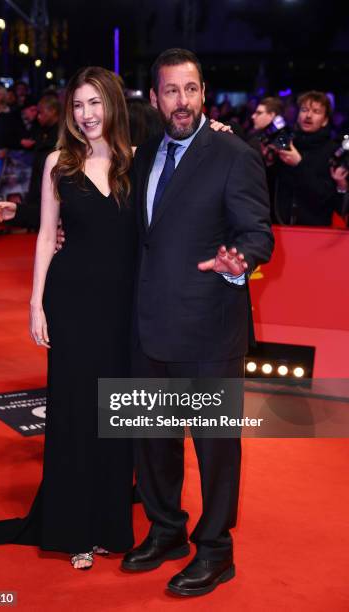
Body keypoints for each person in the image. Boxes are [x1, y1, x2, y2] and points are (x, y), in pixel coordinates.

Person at [121, 48, 274, 597]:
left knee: (214, 448)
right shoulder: (143, 157)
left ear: (203, 92)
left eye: (190, 90)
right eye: (170, 91)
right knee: (152, 440)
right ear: (156, 97)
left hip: (210, 326)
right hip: (148, 326)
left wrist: (242, 262)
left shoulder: (234, 153)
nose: (181, 102)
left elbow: (258, 232)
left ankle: (216, 550)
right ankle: (166, 530)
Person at [0, 67, 137, 569]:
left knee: (115, 417)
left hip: (123, 308)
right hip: (71, 302)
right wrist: (35, 302)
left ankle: (110, 524)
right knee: (72, 412)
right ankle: (73, 529)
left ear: (112, 104)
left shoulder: (136, 161)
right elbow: (48, 236)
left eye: (95, 103)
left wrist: (217, 126)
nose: (87, 115)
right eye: (78, 105)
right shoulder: (58, 163)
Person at [0, 96, 61, 230]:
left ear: (53, 111)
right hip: (39, 183)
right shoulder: (41, 130)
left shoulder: (62, 133)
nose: (38, 117)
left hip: (54, 184)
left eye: (42, 113)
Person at [271, 91, 343, 226]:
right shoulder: (288, 142)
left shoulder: (332, 151)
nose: (308, 116)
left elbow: (326, 196)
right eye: (304, 110)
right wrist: (269, 161)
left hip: (314, 233)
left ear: (325, 120)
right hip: (280, 228)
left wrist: (299, 164)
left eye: (316, 112)